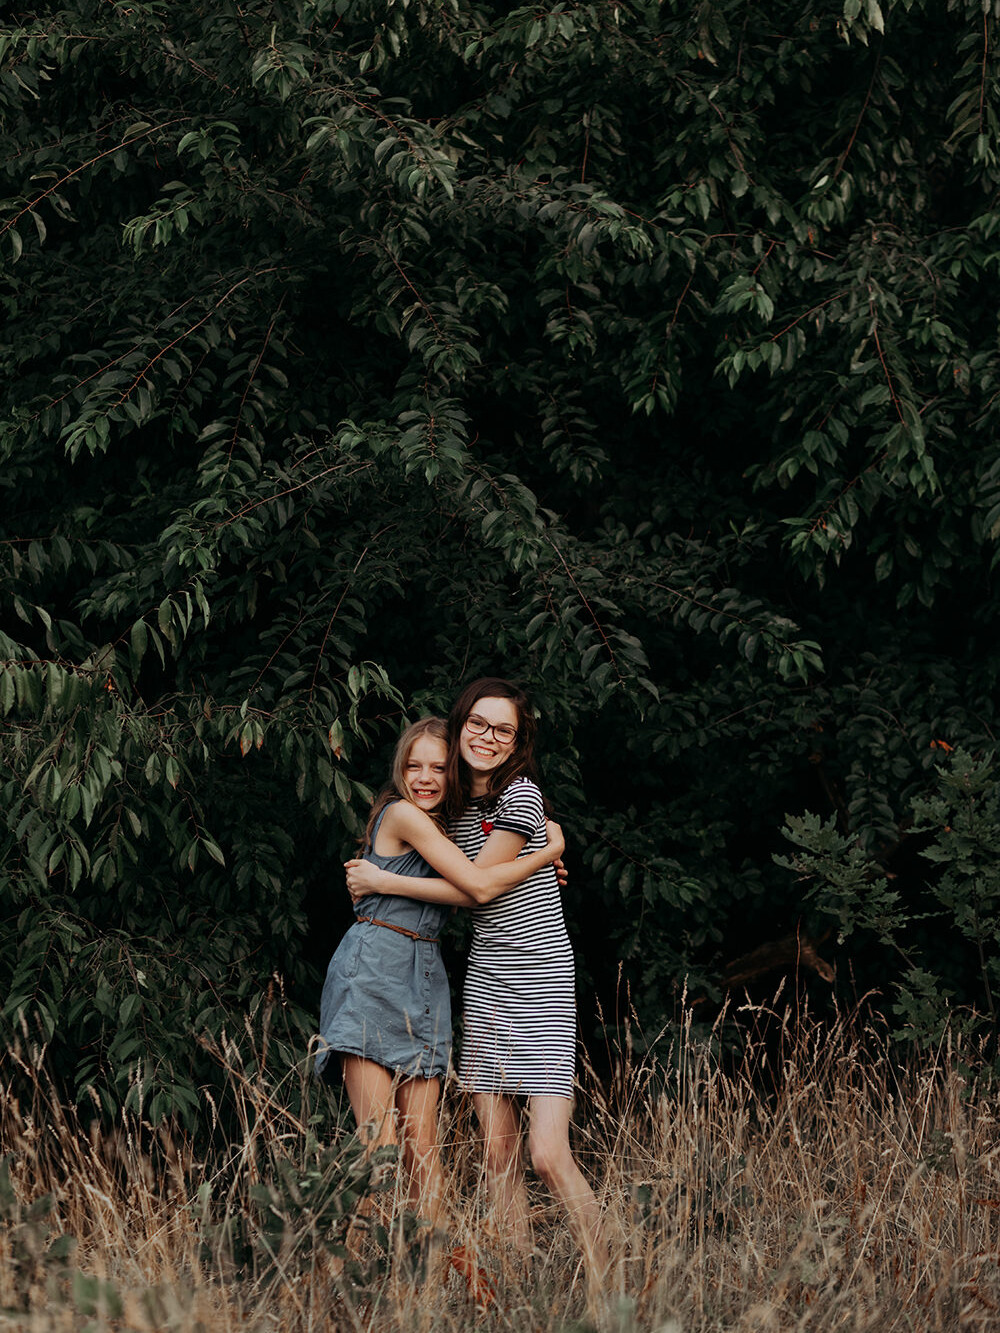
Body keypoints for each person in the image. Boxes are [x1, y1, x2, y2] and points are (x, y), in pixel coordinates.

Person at [344, 680, 608, 1289]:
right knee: (497, 1155)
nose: (488, 738)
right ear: (461, 725)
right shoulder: (454, 807)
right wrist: (544, 853)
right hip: (484, 978)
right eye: (478, 725)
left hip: (539, 975)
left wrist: (383, 882)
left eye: (503, 729)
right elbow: (466, 878)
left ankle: (615, 1272)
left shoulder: (522, 795)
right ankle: (514, 1287)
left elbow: (478, 888)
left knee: (546, 1153)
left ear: (518, 742)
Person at [317, 715, 565, 1232]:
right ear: (399, 771)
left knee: (423, 1150)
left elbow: (482, 874)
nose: (425, 777)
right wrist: (548, 851)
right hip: (373, 972)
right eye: (414, 766)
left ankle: (421, 1292)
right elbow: (477, 885)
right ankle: (348, 1281)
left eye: (437, 767)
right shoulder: (403, 814)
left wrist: (536, 859)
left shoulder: (448, 828)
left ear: (454, 772)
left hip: (424, 979)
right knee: (380, 1150)